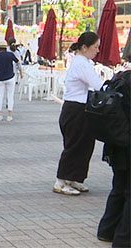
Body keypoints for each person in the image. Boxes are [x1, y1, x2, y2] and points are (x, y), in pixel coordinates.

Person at [54, 32, 103, 196]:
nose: (97, 50)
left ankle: (74, 178)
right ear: (84, 47)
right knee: (74, 146)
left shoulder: (84, 62)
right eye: (95, 47)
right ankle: (61, 181)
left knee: (85, 145)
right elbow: (97, 84)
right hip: (75, 109)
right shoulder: (81, 63)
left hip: (81, 108)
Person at [0, 41, 20, 122]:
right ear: (5, 47)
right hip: (10, 77)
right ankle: (9, 115)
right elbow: (17, 61)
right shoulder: (10, 54)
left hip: (0, 78)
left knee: (0, 96)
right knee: (10, 96)